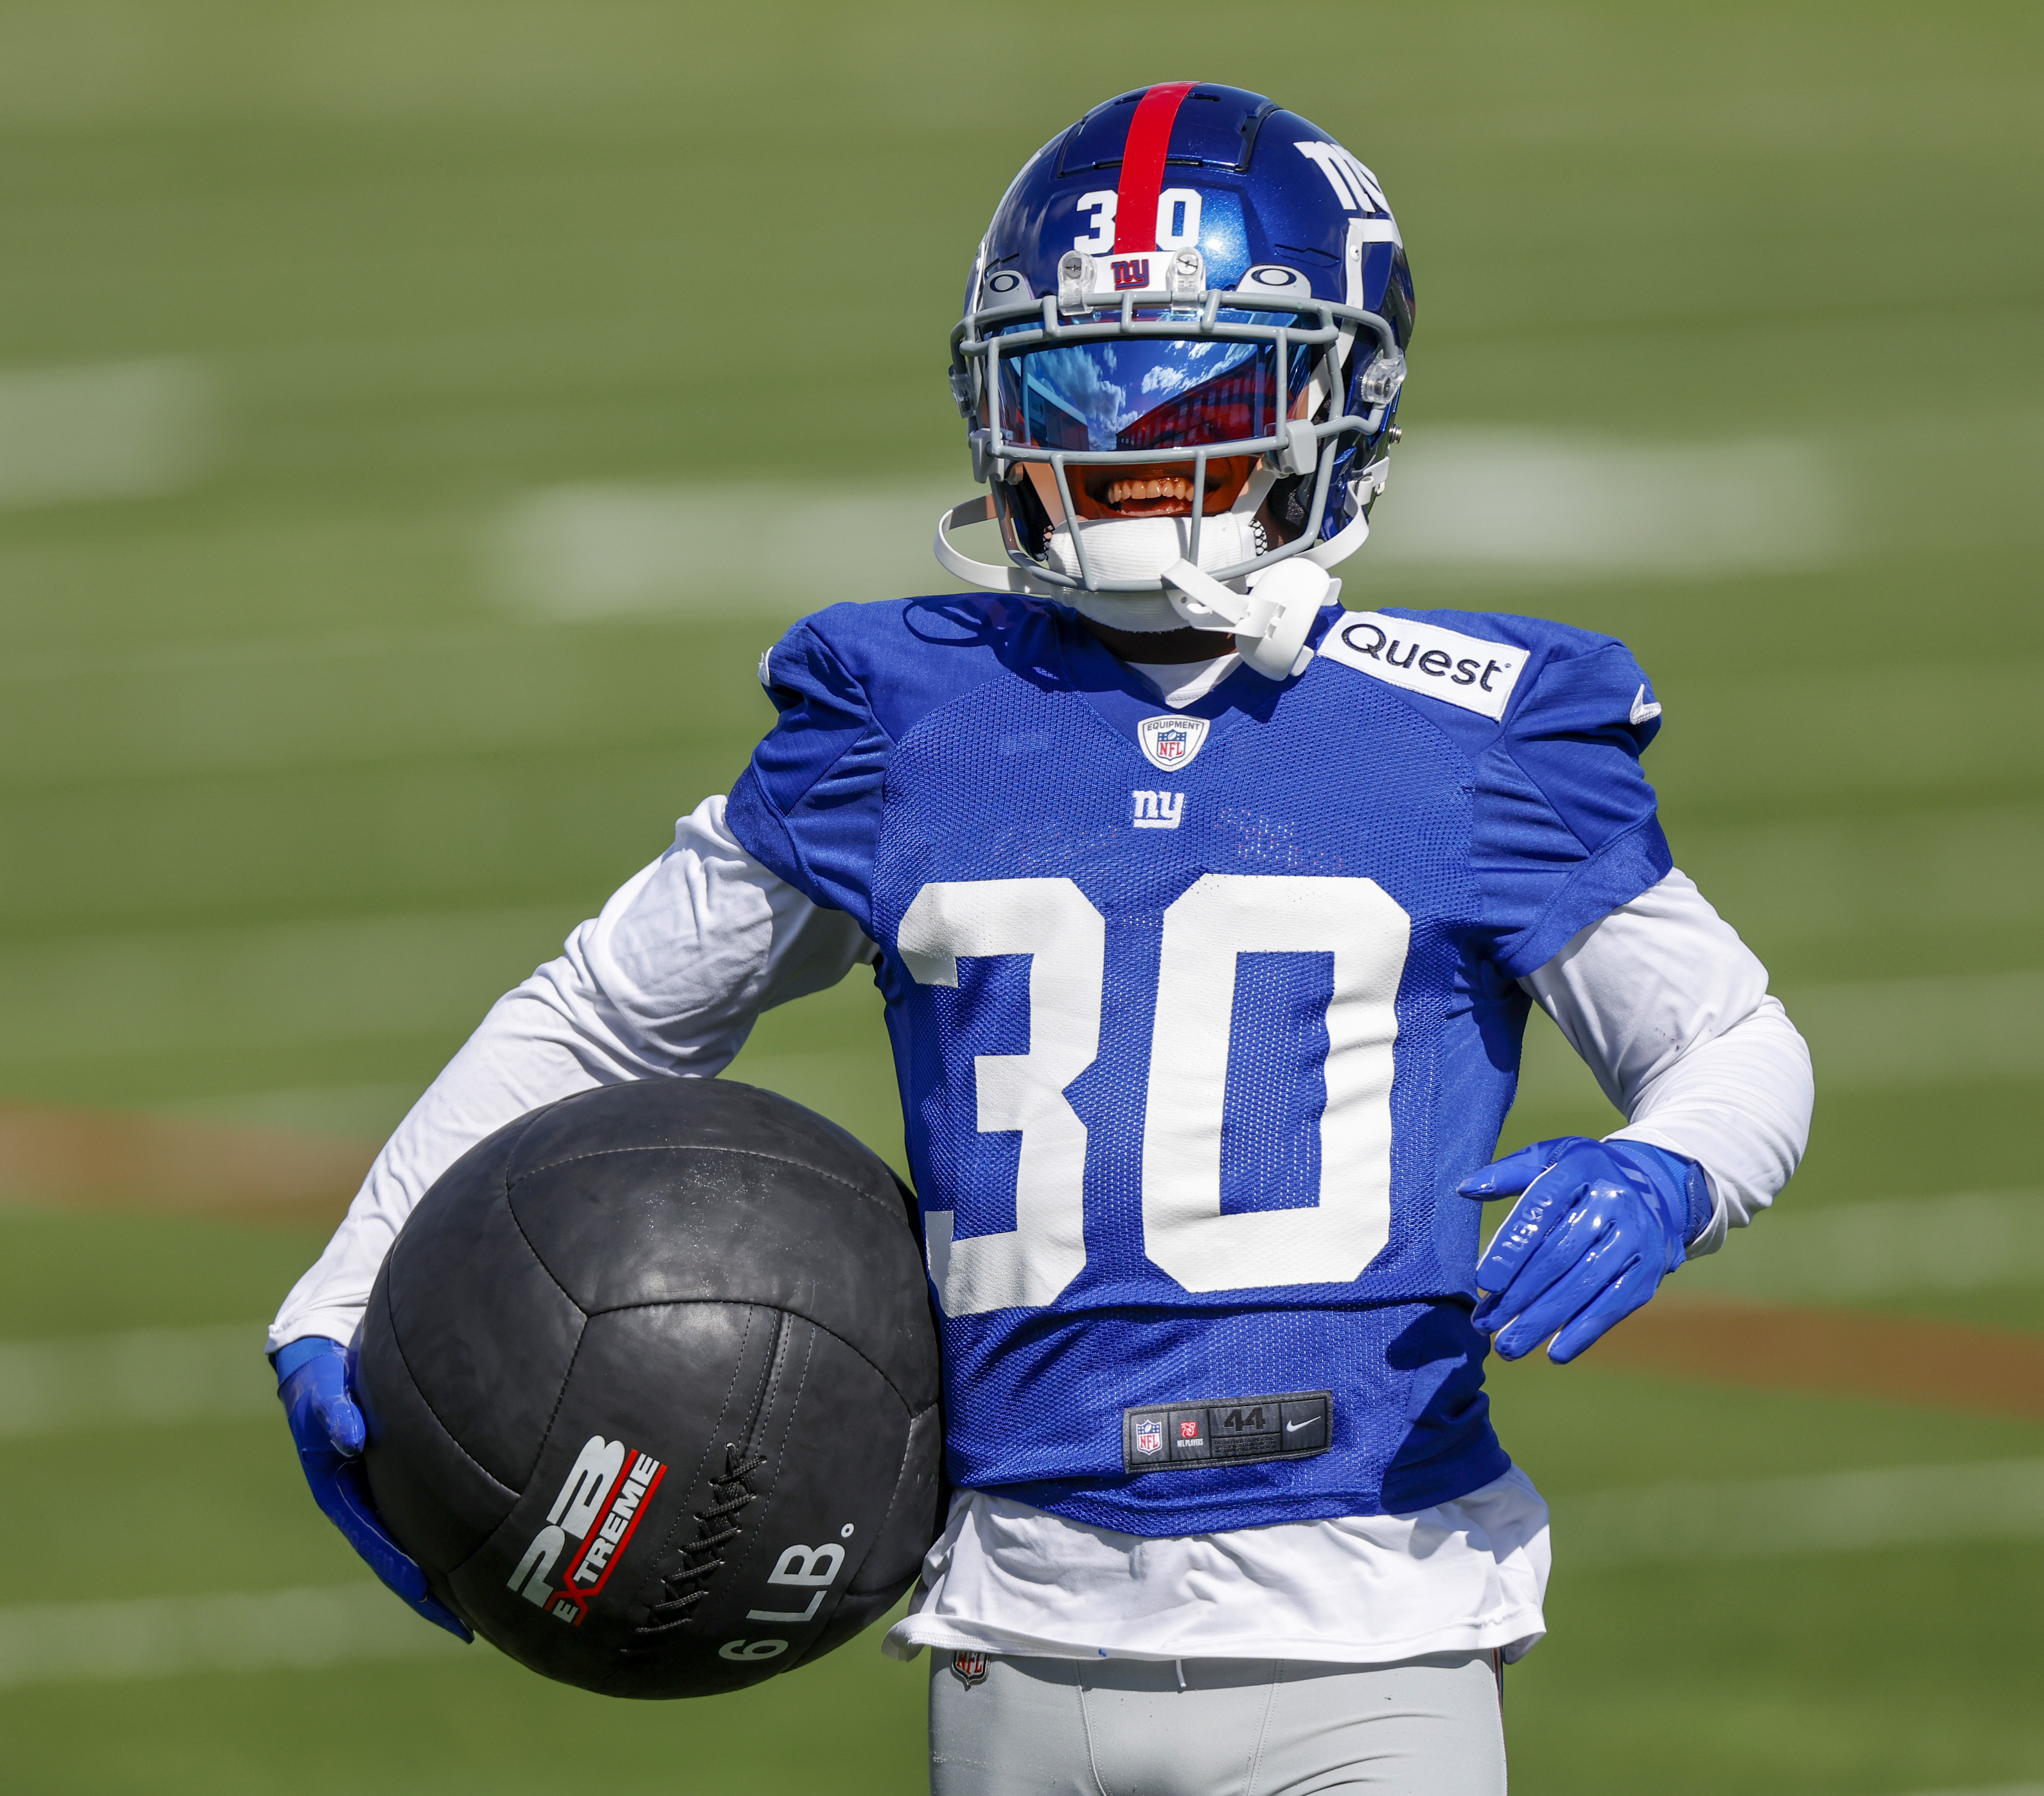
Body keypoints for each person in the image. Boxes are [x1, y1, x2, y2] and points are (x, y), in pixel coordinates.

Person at [269, 81, 1812, 1793]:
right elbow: (612, 1019)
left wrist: (1671, 1168)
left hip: (1371, 1622)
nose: (1135, 438)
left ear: (1342, 394)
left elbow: (1733, 1043)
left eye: (1202, 381)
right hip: (1010, 1628)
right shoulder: (909, 713)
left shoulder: (1476, 729)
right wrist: (350, 1289)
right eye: (1079, 381)